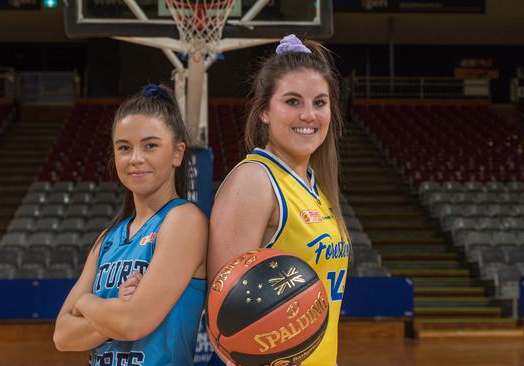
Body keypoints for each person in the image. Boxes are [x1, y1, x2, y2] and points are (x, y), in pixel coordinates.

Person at [207, 35, 350, 366]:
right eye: (292, 101)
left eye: (320, 102)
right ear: (264, 113)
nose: (309, 115)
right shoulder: (255, 180)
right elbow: (224, 318)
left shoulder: (315, 185)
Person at [53, 84, 208, 366]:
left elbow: (134, 323)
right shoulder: (108, 238)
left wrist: (85, 304)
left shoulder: (184, 220)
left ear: (177, 153)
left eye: (150, 145)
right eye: (124, 147)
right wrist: (117, 309)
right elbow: (62, 336)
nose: (135, 158)